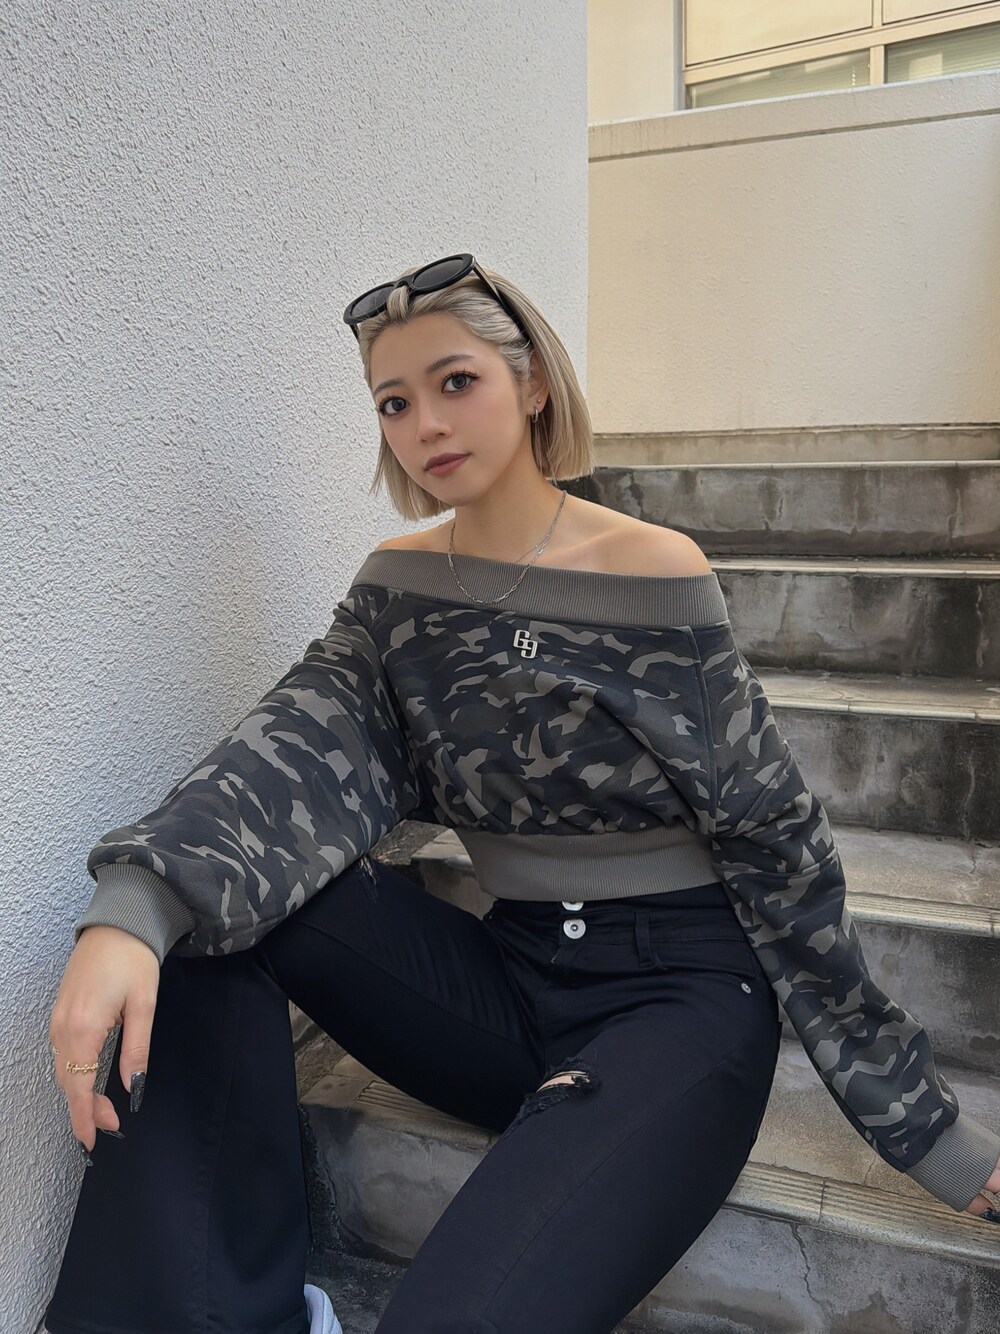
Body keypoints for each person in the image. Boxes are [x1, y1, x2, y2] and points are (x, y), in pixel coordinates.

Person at [43, 253, 1000, 1334]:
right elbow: (293, 749)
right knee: (213, 898)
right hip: (508, 984)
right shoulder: (397, 590)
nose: (425, 424)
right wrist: (134, 906)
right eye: (394, 402)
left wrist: (919, 1123)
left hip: (680, 1003)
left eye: (456, 382)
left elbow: (779, 847)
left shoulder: (655, 575)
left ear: (532, 381)